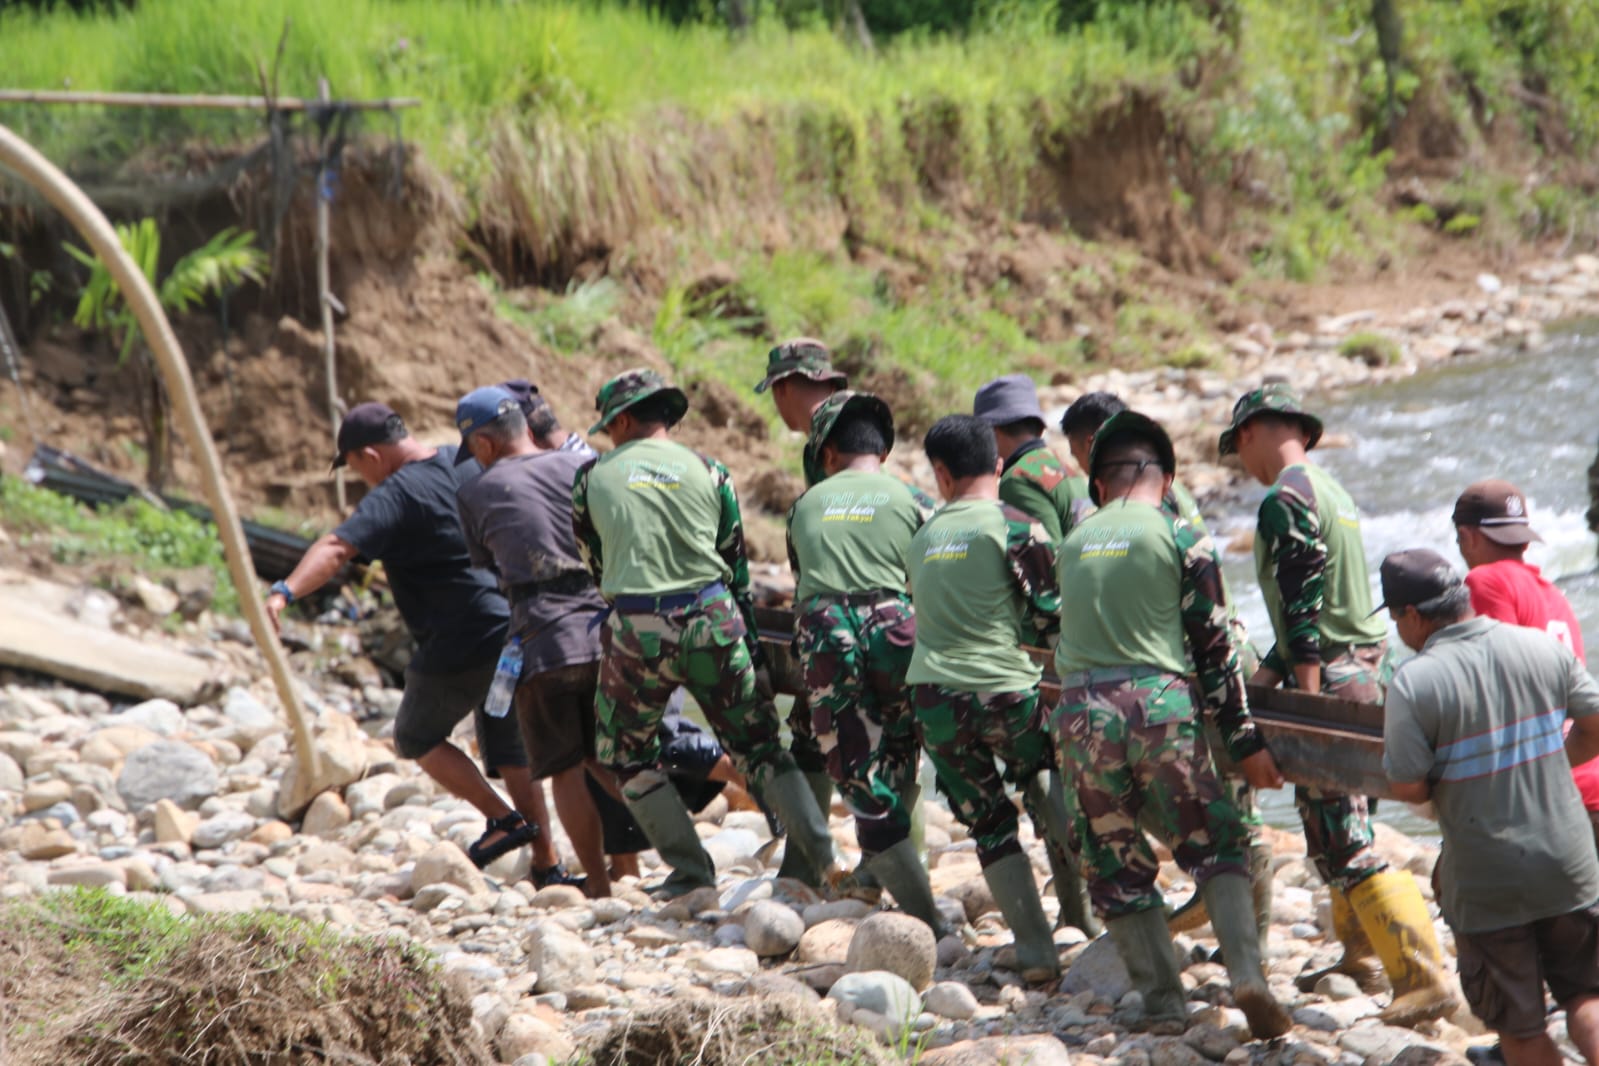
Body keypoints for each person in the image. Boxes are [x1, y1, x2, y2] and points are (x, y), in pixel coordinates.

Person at [1222, 384, 1455, 1024]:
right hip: (1370, 671)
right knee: (1342, 828)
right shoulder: (1335, 494)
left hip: (1329, 677)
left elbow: (1302, 609)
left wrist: (1304, 700)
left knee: (1344, 840)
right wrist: (1265, 678)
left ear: (1249, 433)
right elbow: (1325, 605)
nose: (1241, 463)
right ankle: (1360, 955)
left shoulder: (1285, 498)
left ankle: (1423, 976)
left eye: (1237, 448)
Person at [1054, 410, 1290, 1039]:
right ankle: (1248, 976)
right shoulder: (1181, 536)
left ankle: (1162, 1003)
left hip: (1079, 714)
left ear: (1098, 485)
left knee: (1115, 863)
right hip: (1158, 708)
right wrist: (1245, 742)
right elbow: (1215, 649)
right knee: (1219, 845)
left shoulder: (1072, 542)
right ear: (1167, 477)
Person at [572, 368, 844, 897]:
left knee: (626, 755)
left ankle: (692, 870)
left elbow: (595, 563)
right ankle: (826, 859)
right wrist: (749, 647)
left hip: (637, 627)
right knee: (761, 750)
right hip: (713, 617)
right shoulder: (711, 471)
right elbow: (735, 565)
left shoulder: (590, 477)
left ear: (621, 421)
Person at [265, 402, 563, 877]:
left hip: (462, 635)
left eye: (355, 467)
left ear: (370, 455)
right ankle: (548, 864)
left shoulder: (396, 493)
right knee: (509, 747)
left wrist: (285, 591)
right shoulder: (463, 460)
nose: (361, 478)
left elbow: (336, 547)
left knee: (414, 734)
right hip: (514, 623)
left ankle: (505, 821)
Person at [1380, 549, 1599, 1066]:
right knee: (1588, 998)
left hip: (1486, 881)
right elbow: (1595, 728)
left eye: (1395, 618)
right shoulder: (1540, 647)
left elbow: (1408, 785)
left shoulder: (1414, 682)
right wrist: (1549, 762)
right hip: (1569, 864)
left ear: (1413, 615)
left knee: (1520, 1028)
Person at [905, 414, 1077, 981]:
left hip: (934, 701)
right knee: (1057, 771)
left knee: (990, 825)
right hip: (1004, 693)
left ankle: (1036, 951)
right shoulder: (1016, 527)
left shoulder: (923, 536)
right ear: (999, 466)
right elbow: (1054, 617)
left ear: (940, 474)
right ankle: (1091, 909)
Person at [453, 384, 631, 896]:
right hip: (607, 632)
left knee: (566, 768)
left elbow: (490, 563)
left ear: (483, 444)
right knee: (614, 759)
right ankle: (677, 858)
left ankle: (599, 885)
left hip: (543, 640)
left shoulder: (475, 492)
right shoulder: (582, 466)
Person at [785, 390, 940, 929]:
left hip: (828, 632)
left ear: (827, 455)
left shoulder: (804, 506)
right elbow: (929, 583)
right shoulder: (917, 503)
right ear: (884, 453)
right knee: (901, 749)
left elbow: (801, 581)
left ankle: (923, 913)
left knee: (854, 769)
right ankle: (884, 877)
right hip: (898, 628)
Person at [754, 338, 851, 875]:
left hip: (846, 609)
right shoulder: (855, 417)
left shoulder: (825, 436)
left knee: (815, 727)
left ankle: (807, 869)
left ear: (786, 387)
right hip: (885, 602)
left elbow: (836, 526)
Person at [1454, 479, 1598, 841]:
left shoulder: (1484, 581)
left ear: (1467, 537)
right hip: (1585, 775)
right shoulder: (1554, 596)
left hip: (1555, 798)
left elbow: (1495, 689)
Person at [973, 373, 1093, 542]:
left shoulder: (1018, 480)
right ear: (1040, 427)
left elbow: (1043, 553)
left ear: (993, 432)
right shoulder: (1063, 467)